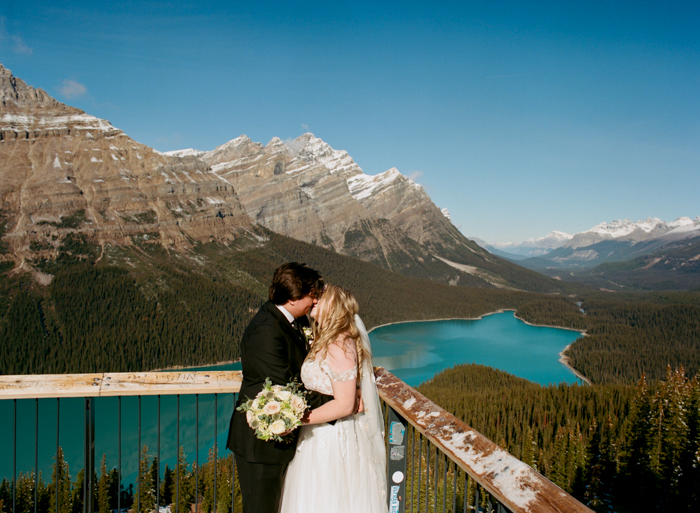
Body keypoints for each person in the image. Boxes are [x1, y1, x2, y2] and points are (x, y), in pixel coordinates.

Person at [226, 262, 329, 513]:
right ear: (294, 298)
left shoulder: (293, 320)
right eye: (311, 295)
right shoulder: (266, 331)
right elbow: (287, 389)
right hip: (261, 445)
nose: (315, 301)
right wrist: (340, 402)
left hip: (284, 440)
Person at [279, 284, 388, 513]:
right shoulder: (324, 339)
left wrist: (296, 419)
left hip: (331, 436)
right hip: (315, 435)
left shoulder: (340, 344)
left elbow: (345, 404)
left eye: (321, 296)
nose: (314, 299)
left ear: (335, 305)